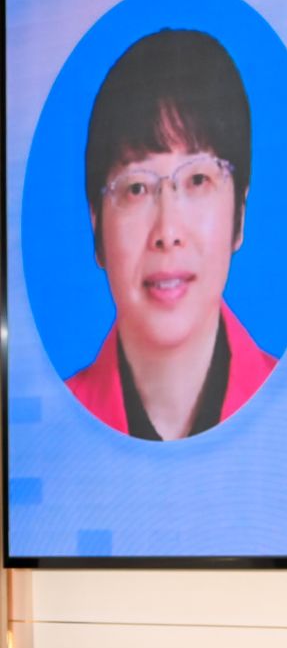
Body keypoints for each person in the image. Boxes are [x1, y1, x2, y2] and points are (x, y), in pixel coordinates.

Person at [65, 28, 275, 439]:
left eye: (197, 179)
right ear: (96, 223)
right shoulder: (49, 437)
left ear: (240, 213)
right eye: (136, 188)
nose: (167, 232)